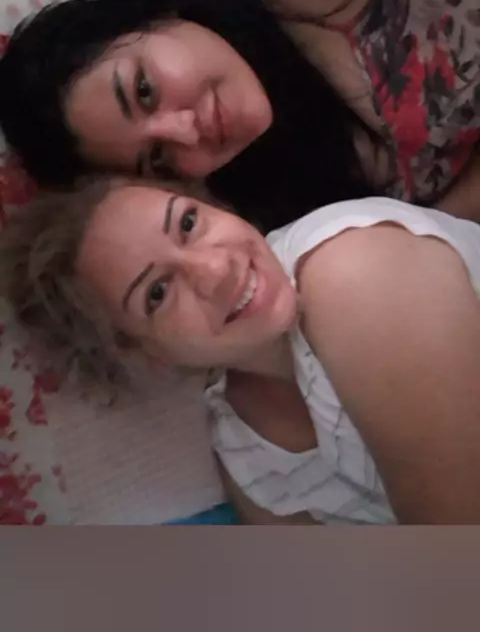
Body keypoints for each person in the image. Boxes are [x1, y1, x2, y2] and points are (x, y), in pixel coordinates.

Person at [4, 176, 480, 524]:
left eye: (189, 222)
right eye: (158, 293)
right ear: (145, 354)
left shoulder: (350, 271)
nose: (216, 270)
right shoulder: (246, 457)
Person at [1, 0, 480, 230]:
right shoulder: (286, 187)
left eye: (144, 91)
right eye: (159, 159)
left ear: (152, 13)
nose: (186, 132)